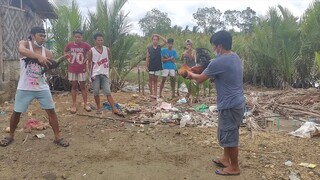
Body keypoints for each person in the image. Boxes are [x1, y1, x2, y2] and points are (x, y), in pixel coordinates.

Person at [186, 30, 245, 176]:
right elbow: (211, 67)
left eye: (214, 46)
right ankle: (225, 159)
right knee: (226, 131)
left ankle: (234, 167)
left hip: (230, 105)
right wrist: (200, 69)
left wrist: (189, 73)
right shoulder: (234, 56)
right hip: (237, 102)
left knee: (230, 136)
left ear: (219, 46)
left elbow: (199, 79)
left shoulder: (220, 61)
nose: (213, 49)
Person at [0, 27, 69, 147]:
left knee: (51, 111)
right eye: (40, 35)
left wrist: (52, 65)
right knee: (17, 112)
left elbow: (47, 69)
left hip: (42, 86)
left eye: (44, 36)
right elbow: (21, 50)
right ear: (33, 35)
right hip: (25, 87)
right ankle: (10, 135)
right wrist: (38, 57)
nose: (43, 38)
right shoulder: (25, 44)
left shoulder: (47, 52)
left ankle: (58, 137)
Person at [88, 33, 124, 117]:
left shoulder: (107, 49)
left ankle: (113, 108)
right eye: (98, 40)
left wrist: (111, 68)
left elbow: (109, 59)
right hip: (95, 74)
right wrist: (89, 74)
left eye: (101, 40)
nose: (100, 42)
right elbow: (89, 63)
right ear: (95, 41)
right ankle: (99, 107)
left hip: (104, 73)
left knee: (107, 91)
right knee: (96, 91)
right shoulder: (91, 51)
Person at [64, 30, 91, 114]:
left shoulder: (85, 45)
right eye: (76, 37)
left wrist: (87, 59)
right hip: (72, 68)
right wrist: (67, 58)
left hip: (82, 69)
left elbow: (91, 51)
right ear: (73, 37)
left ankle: (86, 104)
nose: (77, 38)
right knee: (74, 86)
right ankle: (74, 105)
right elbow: (65, 51)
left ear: (81, 37)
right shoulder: (70, 44)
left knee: (83, 87)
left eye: (79, 37)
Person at [146, 34, 167, 99]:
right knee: (150, 80)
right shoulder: (149, 48)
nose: (155, 41)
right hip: (151, 65)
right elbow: (147, 57)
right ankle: (151, 93)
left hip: (158, 65)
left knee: (155, 80)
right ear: (152, 40)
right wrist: (146, 66)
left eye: (156, 40)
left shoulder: (159, 47)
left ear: (158, 40)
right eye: (154, 39)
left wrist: (158, 35)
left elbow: (166, 41)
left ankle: (155, 94)